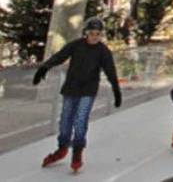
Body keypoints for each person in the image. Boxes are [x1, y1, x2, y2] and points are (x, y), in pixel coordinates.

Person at [34, 17, 122, 173]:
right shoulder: (76, 46)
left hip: (88, 91)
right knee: (66, 119)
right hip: (71, 88)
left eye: (98, 34)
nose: (94, 37)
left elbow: (110, 71)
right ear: (86, 33)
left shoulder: (103, 51)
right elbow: (59, 56)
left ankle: (77, 151)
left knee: (80, 120)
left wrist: (116, 89)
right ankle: (62, 148)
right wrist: (44, 67)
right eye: (91, 33)